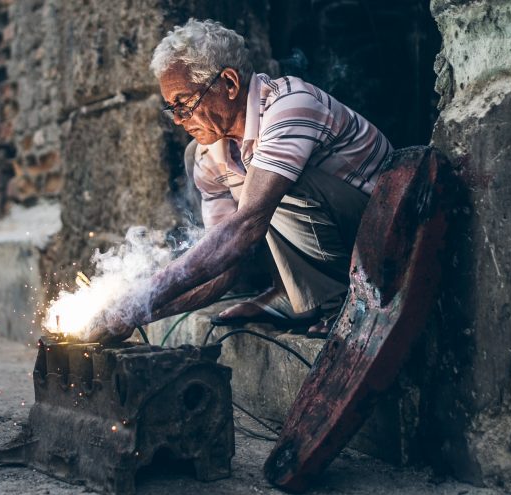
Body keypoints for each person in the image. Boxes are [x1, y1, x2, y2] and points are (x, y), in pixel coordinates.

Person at [89, 19, 392, 343]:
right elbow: (225, 259)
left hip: (384, 235)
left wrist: (145, 293)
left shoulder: (290, 104)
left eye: (184, 103)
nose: (178, 120)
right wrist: (137, 312)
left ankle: (337, 303)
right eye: (171, 109)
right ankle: (291, 294)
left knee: (271, 192)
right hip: (331, 243)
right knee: (229, 181)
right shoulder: (208, 153)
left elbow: (247, 225)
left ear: (230, 84)